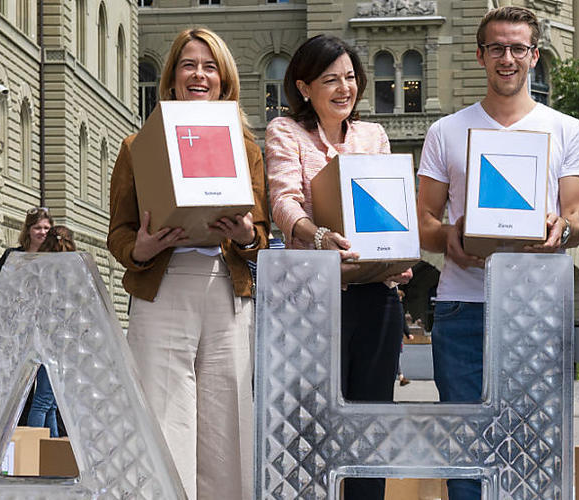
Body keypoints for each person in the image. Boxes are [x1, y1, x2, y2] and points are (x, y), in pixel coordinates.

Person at [416, 7, 579, 499]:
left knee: (536, 451)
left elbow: (576, 220)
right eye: (497, 48)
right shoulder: (445, 131)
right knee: (466, 453)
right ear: (480, 55)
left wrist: (562, 226)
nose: (508, 58)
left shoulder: (568, 130)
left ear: (535, 56)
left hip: (536, 310)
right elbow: (424, 222)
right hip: (462, 308)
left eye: (518, 48)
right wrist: (449, 236)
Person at [106, 27, 269, 500]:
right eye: (188, 64)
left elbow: (259, 235)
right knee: (161, 420)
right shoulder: (137, 147)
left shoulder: (247, 148)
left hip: (225, 294)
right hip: (164, 290)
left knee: (226, 427)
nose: (199, 74)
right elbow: (118, 233)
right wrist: (143, 248)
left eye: (209, 66)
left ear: (224, 80)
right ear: (173, 78)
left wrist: (244, 236)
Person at [265, 34, 410, 500]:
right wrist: (319, 235)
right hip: (311, 300)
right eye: (331, 80)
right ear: (304, 87)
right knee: (311, 428)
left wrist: (397, 257)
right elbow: (283, 201)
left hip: (374, 297)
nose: (345, 88)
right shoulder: (285, 132)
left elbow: (388, 210)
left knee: (371, 425)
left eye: (350, 77)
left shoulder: (374, 136)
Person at [26, 226, 76, 437]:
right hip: (60, 340)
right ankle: (38, 451)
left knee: (49, 401)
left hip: (43, 337)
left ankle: (49, 449)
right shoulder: (71, 270)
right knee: (47, 400)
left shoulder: (41, 268)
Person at [0, 207, 53, 298]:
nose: (43, 232)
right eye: (37, 228)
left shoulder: (55, 257)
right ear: (28, 230)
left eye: (46, 228)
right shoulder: (12, 255)